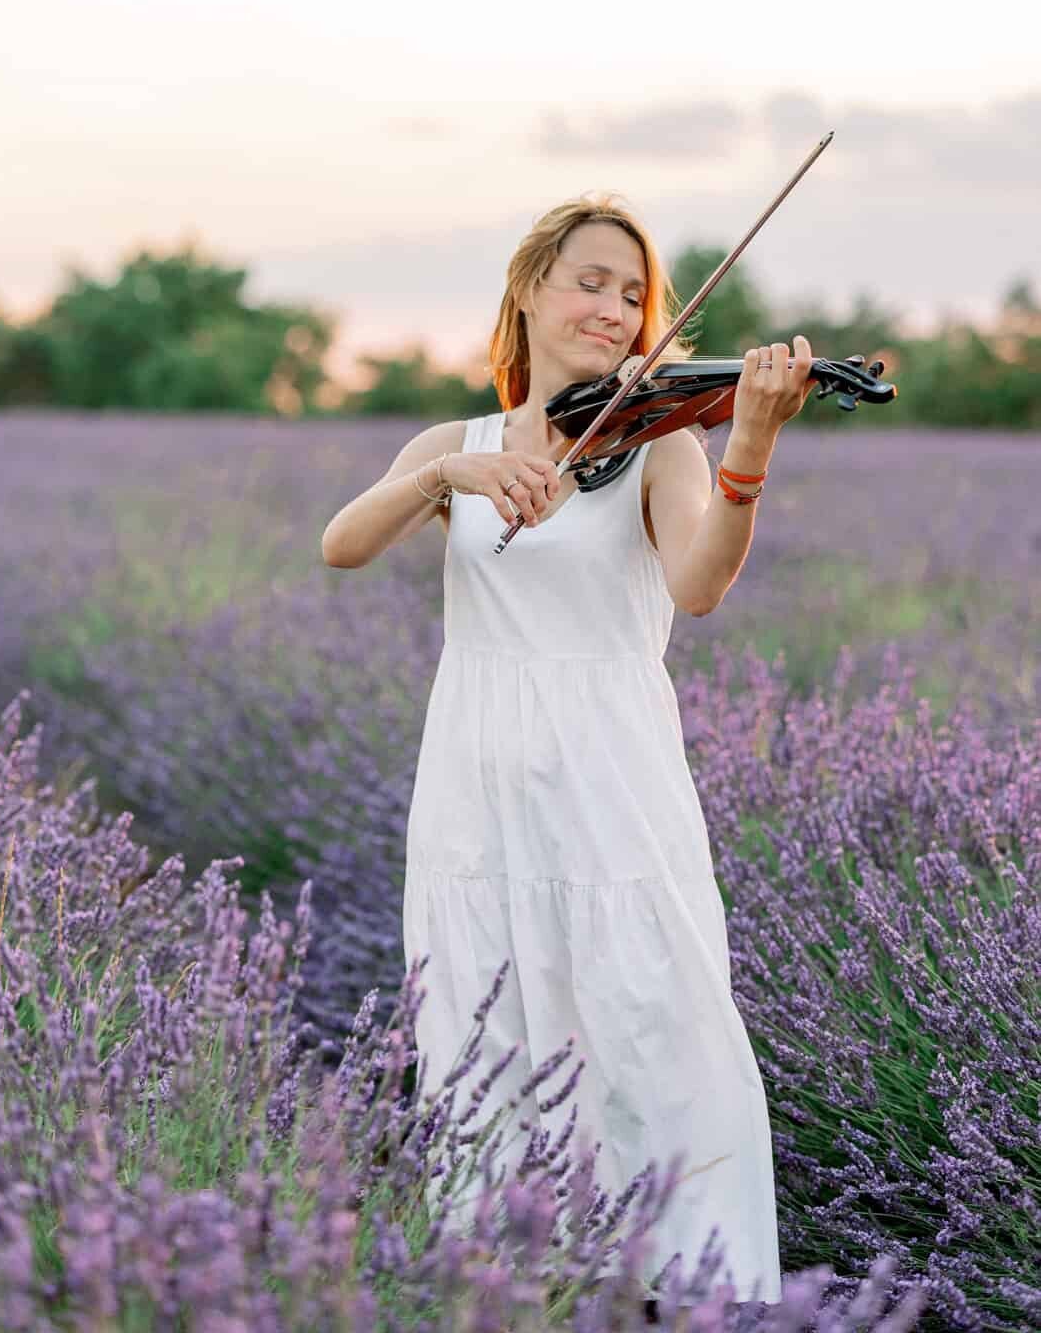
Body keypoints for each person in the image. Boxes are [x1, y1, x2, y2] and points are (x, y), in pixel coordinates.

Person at [321, 193, 818, 1314]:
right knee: (488, 1035)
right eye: (592, 281)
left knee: (650, 1028)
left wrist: (748, 443)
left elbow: (699, 584)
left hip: (611, 781)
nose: (616, 308)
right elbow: (340, 545)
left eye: (636, 294)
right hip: (476, 789)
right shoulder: (456, 445)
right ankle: (522, 1290)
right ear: (531, 290)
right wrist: (448, 478)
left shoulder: (661, 445)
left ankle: (688, 1292)